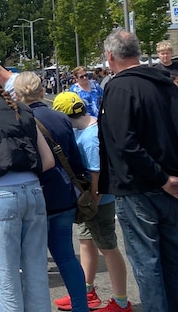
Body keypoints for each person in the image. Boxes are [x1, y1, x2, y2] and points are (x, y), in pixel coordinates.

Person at [98, 29, 178, 312]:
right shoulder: (165, 83)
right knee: (171, 261)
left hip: (139, 187)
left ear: (110, 56)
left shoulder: (120, 87)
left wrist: (161, 178)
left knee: (148, 264)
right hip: (169, 183)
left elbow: (125, 143)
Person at [0, 71, 55, 312]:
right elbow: (48, 160)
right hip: (33, 191)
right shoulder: (24, 109)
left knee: (7, 277)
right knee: (36, 271)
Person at [53, 91, 133, 312]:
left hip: (98, 200)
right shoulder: (93, 125)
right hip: (92, 199)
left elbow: (95, 173)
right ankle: (87, 291)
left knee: (108, 247)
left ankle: (121, 301)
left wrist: (93, 201)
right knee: (86, 243)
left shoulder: (88, 137)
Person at [14, 74, 88, 312]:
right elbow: (74, 158)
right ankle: (80, 306)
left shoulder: (19, 119)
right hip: (64, 194)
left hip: (36, 195)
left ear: (18, 94)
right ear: (41, 90)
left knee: (32, 261)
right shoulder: (60, 117)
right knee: (66, 257)